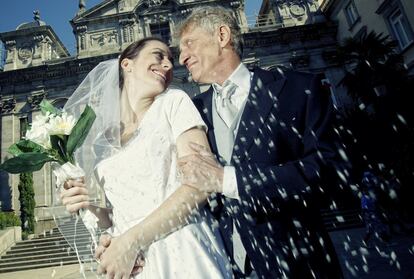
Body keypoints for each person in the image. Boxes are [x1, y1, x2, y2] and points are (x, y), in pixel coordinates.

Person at [176, 6, 343, 278]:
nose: (181, 57)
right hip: (227, 267)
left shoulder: (299, 89)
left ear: (222, 35)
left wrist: (230, 181)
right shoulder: (193, 113)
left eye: (189, 44)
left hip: (299, 264)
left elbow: (328, 171)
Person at [60, 37, 232, 278]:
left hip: (180, 249)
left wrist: (131, 241)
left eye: (171, 61)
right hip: (130, 264)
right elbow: (117, 213)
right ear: (127, 64)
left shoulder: (174, 101)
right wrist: (87, 207)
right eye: (158, 55)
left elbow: (200, 185)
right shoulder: (101, 140)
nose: (169, 65)